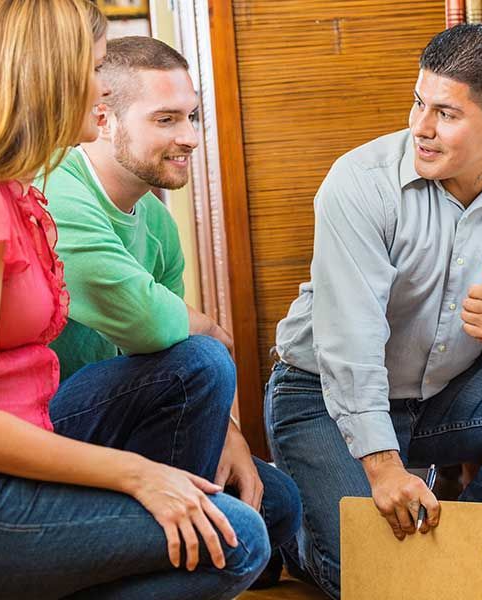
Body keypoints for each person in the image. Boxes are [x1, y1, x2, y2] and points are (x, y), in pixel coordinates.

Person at [0, 2, 273, 598]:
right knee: (239, 543)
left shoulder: (20, 194)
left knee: (257, 507)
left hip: (39, 436)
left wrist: (168, 471)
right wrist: (141, 476)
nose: (103, 86)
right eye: (97, 65)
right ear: (51, 72)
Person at [266, 23, 482, 598]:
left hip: (437, 402)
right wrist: (381, 467)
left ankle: (478, 545)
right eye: (418, 102)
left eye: (447, 114)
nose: (420, 129)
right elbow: (349, 344)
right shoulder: (359, 183)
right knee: (372, 583)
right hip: (321, 397)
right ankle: (290, 531)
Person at [40, 35, 301, 588]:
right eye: (165, 119)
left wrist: (229, 433)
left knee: (276, 500)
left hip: (117, 423)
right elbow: (155, 324)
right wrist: (203, 320)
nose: (189, 137)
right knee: (202, 360)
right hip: (42, 430)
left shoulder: (156, 224)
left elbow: (168, 346)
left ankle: (144, 556)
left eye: (192, 117)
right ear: (104, 119)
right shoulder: (57, 192)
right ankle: (166, 547)